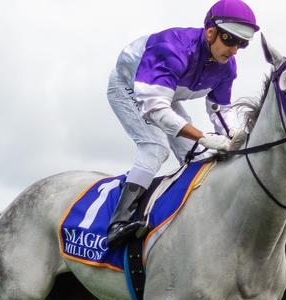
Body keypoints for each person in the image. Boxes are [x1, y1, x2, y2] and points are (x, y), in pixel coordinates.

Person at [105, 0, 259, 248]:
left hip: (166, 94)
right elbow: (155, 108)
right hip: (131, 86)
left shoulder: (226, 67)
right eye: (230, 40)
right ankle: (118, 223)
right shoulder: (172, 49)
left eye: (242, 43)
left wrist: (234, 140)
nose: (234, 50)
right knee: (155, 148)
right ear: (210, 32)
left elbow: (220, 111)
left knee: (199, 156)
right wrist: (201, 136)